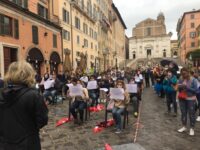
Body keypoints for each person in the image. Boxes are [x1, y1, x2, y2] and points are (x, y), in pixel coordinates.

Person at [0, 61, 48, 150]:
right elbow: (42, 120)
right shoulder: (33, 95)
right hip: (28, 143)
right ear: (28, 74)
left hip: (5, 144)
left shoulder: (1, 93)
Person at [177, 68, 198, 136]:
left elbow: (196, 91)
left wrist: (187, 87)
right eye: (182, 74)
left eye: (185, 73)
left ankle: (192, 128)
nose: (184, 75)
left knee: (191, 114)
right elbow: (178, 87)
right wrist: (180, 86)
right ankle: (184, 126)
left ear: (188, 72)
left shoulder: (194, 80)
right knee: (183, 113)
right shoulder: (181, 78)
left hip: (191, 99)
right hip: (182, 98)